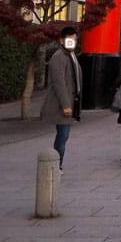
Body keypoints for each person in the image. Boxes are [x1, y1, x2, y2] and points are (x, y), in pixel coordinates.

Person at [41, 26, 82, 172]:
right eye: (69, 39)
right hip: (61, 103)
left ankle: (57, 164)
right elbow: (59, 83)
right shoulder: (59, 57)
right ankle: (56, 165)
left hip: (70, 101)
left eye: (75, 40)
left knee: (64, 135)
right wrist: (66, 104)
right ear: (61, 40)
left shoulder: (71, 55)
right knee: (63, 135)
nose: (72, 42)